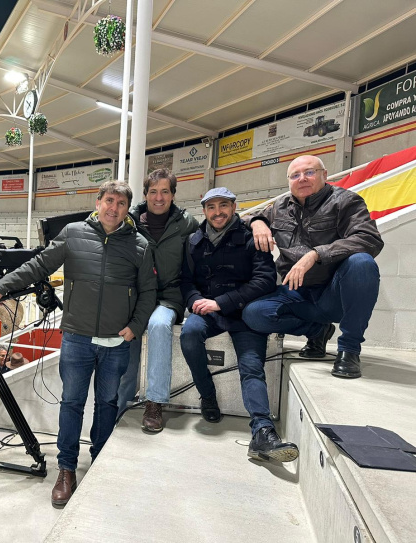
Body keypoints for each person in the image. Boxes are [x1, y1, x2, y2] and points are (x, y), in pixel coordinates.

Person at [0, 180, 156, 507]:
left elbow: (148, 292)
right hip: (77, 337)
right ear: (98, 201)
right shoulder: (74, 233)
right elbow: (39, 264)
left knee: (107, 403)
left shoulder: (140, 246)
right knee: (72, 403)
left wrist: (135, 327)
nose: (113, 208)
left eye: (120, 203)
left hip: (116, 341)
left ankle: (101, 459)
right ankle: (66, 469)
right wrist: (2, 286)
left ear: (127, 208)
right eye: (108, 200)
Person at [180, 187, 298, 462]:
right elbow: (186, 283)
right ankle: (207, 395)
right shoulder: (193, 241)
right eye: (211, 207)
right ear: (204, 211)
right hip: (209, 311)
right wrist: (197, 300)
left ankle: (262, 431)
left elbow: (265, 280)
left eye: (223, 205)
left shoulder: (252, 236)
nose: (217, 212)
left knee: (251, 368)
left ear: (234, 207)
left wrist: (220, 302)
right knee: (189, 333)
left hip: (243, 313)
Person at [241, 155, 383, 379]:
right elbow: (246, 218)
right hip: (296, 292)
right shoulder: (279, 207)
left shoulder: (346, 201)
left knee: (362, 263)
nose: (302, 179)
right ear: (289, 182)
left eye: (309, 172)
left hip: (332, 293)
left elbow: (368, 238)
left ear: (324, 175)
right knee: (253, 314)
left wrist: (316, 254)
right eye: (295, 175)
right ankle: (318, 331)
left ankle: (349, 349)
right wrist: (257, 222)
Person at [116, 168, 199, 432]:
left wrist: (258, 222)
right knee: (128, 336)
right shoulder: (129, 222)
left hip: (169, 297)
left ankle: (154, 401)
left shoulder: (187, 223)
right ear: (146, 194)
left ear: (173, 195)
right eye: (153, 191)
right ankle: (121, 402)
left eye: (165, 191)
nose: (159, 197)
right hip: (137, 296)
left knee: (159, 326)